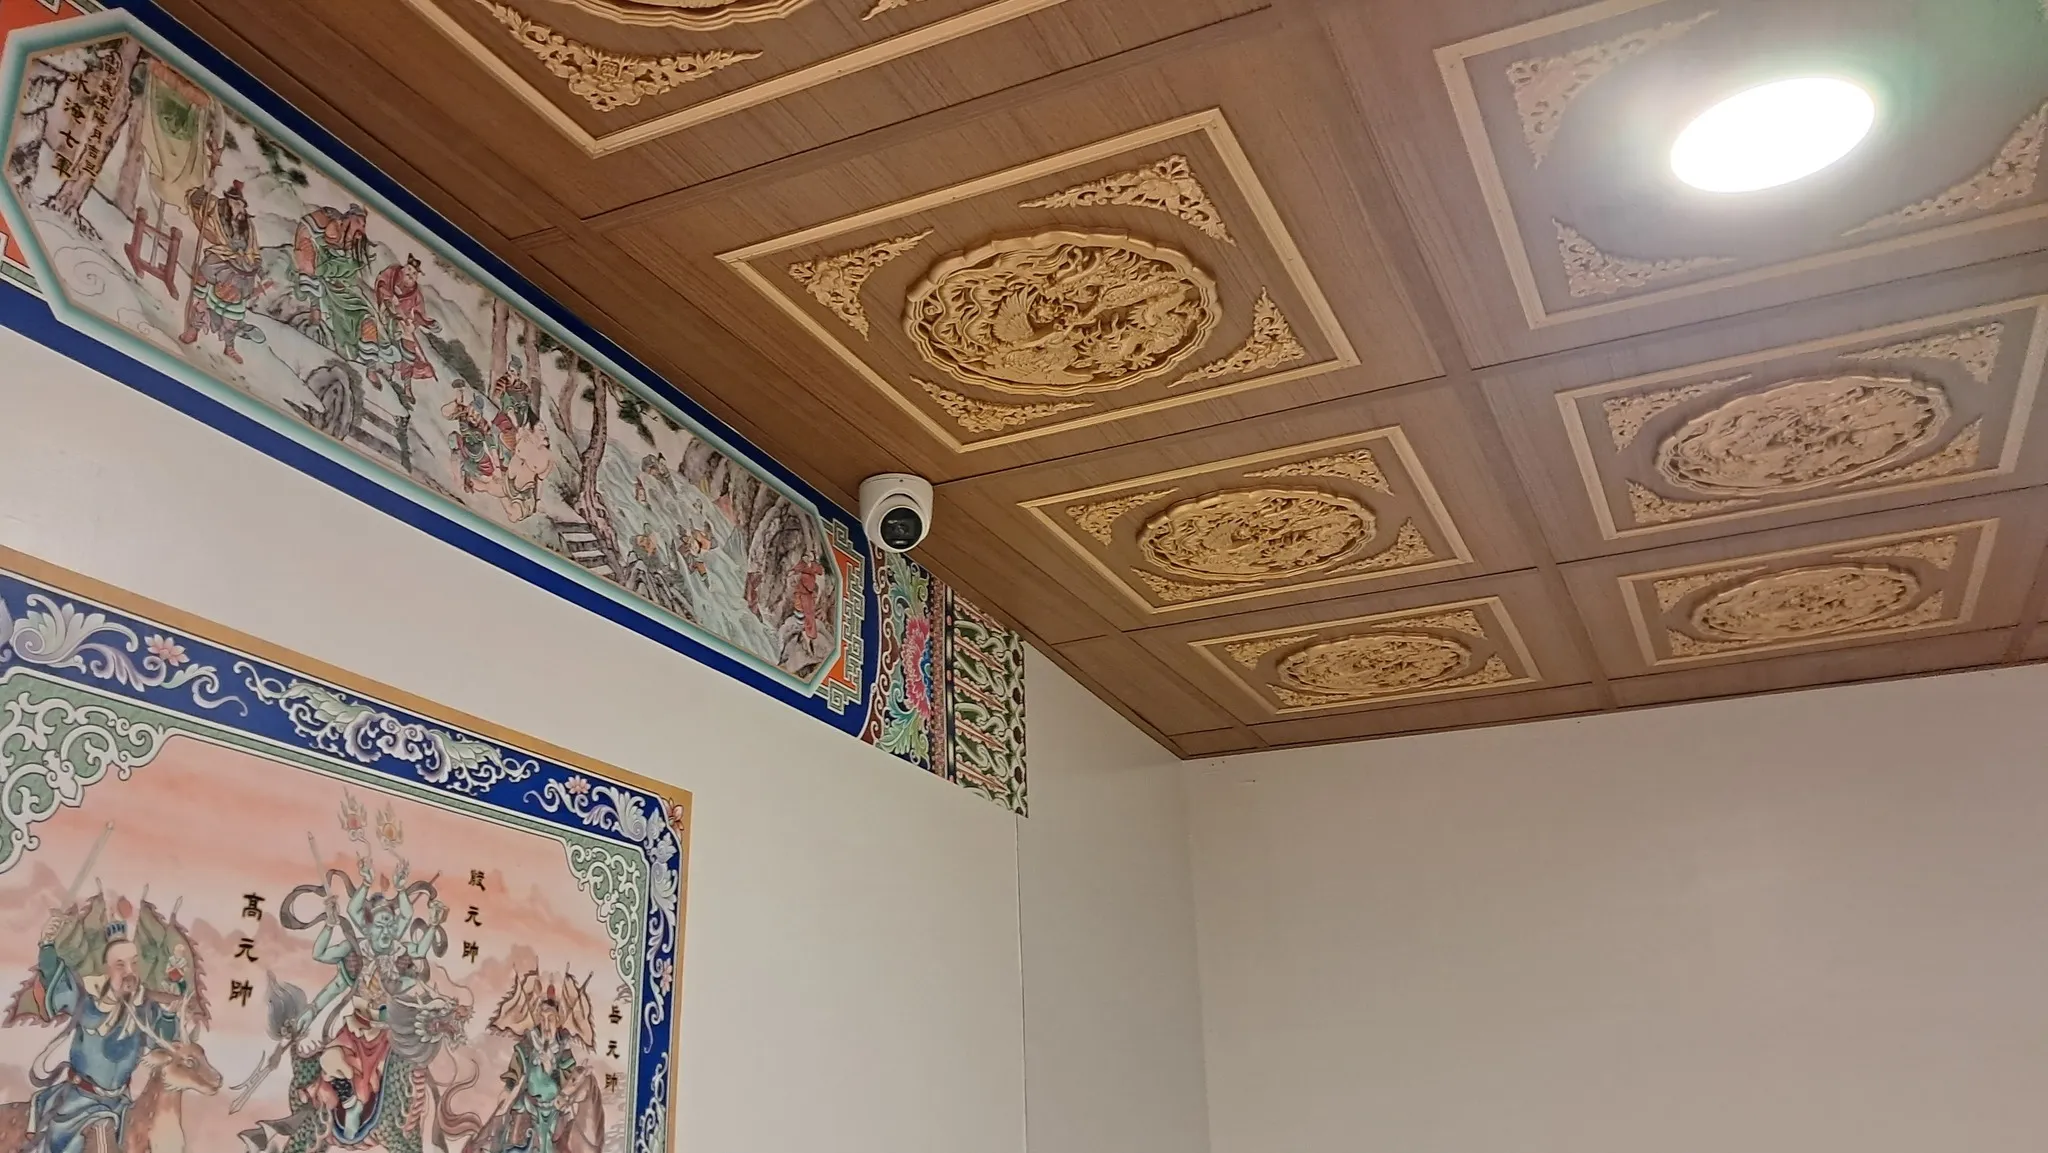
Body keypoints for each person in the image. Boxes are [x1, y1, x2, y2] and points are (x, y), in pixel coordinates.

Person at [26, 900, 185, 1153]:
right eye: (120, 965)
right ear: (107, 969)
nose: (130, 972)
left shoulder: (145, 1008)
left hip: (121, 1103)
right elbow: (54, 977)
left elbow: (163, 1047)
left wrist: (168, 1016)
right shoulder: (86, 1001)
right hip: (81, 1101)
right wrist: (47, 944)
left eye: (134, 963)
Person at [178, 181, 265, 364]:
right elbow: (195, 200)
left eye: (241, 204)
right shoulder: (216, 208)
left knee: (234, 306)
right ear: (228, 202)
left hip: (242, 265)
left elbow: (254, 249)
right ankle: (194, 329)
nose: (240, 208)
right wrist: (205, 189)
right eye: (236, 203)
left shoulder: (247, 225)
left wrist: (255, 264)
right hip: (221, 257)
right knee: (204, 288)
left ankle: (229, 346)